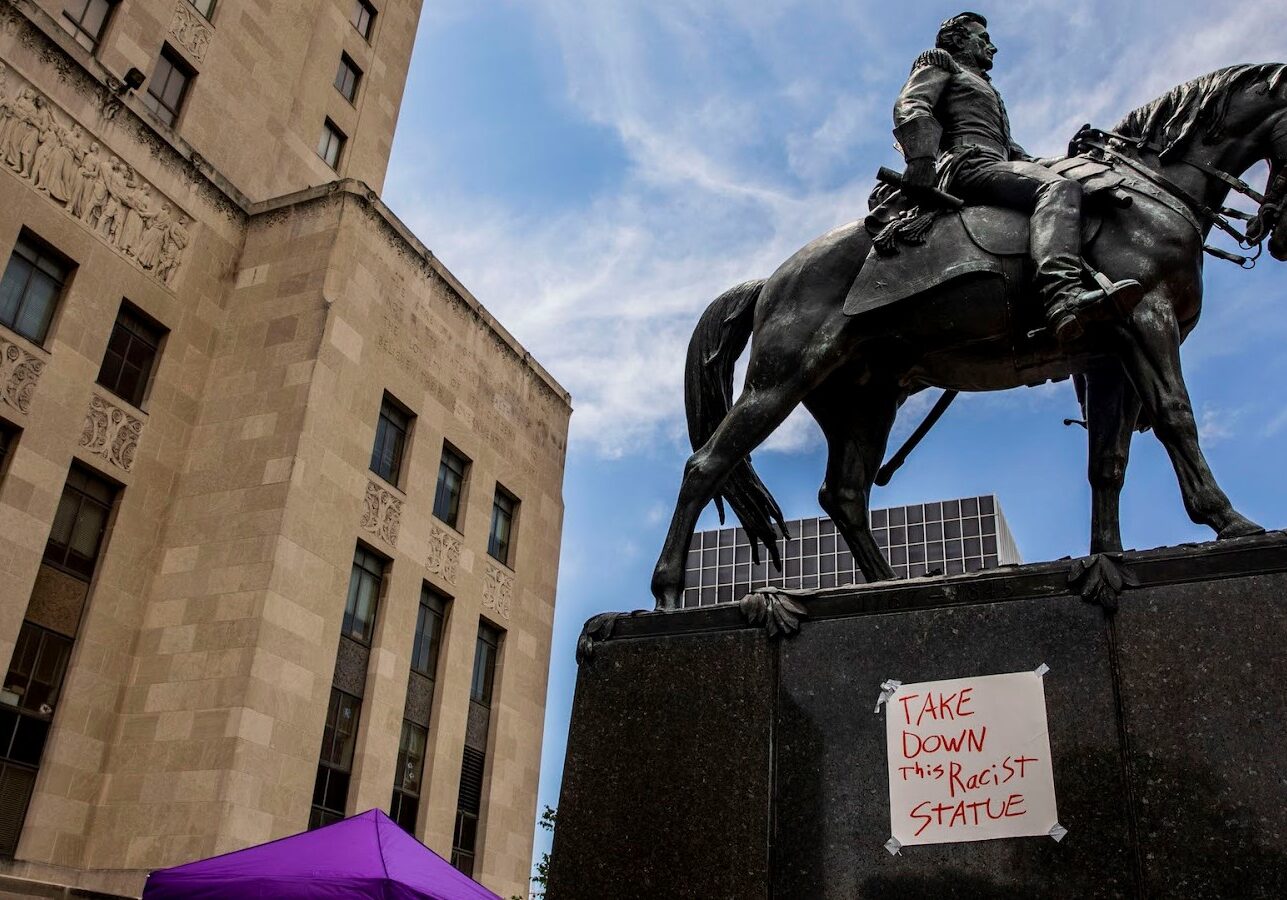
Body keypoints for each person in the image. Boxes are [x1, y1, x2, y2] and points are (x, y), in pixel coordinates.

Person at [893, 12, 1141, 343]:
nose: (992, 46)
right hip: (968, 164)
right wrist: (921, 157)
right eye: (983, 38)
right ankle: (1062, 294)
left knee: (1068, 182)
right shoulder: (941, 62)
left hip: (994, 163)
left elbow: (1018, 156)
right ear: (959, 39)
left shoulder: (986, 89)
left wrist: (1074, 159)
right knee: (1057, 189)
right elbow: (911, 103)